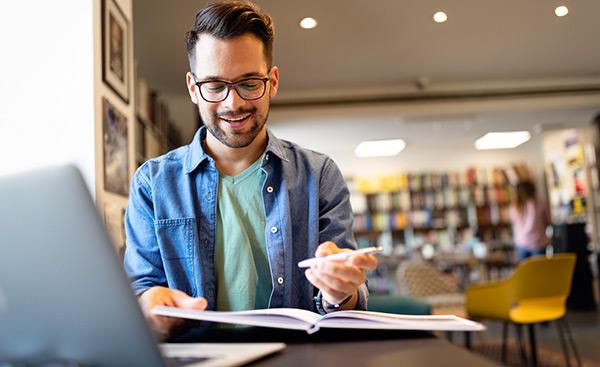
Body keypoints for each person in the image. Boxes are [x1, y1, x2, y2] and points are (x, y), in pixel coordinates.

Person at [124, 1, 377, 340]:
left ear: (272, 81)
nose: (233, 103)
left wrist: (339, 292)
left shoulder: (320, 175)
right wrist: (150, 307)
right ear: (192, 88)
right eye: (214, 86)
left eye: (248, 83)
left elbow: (348, 305)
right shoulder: (152, 184)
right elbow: (141, 290)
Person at [509, 180, 551, 262]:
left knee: (526, 272)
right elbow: (548, 221)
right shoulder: (540, 203)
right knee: (539, 272)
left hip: (521, 243)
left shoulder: (514, 206)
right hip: (538, 243)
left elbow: (514, 224)